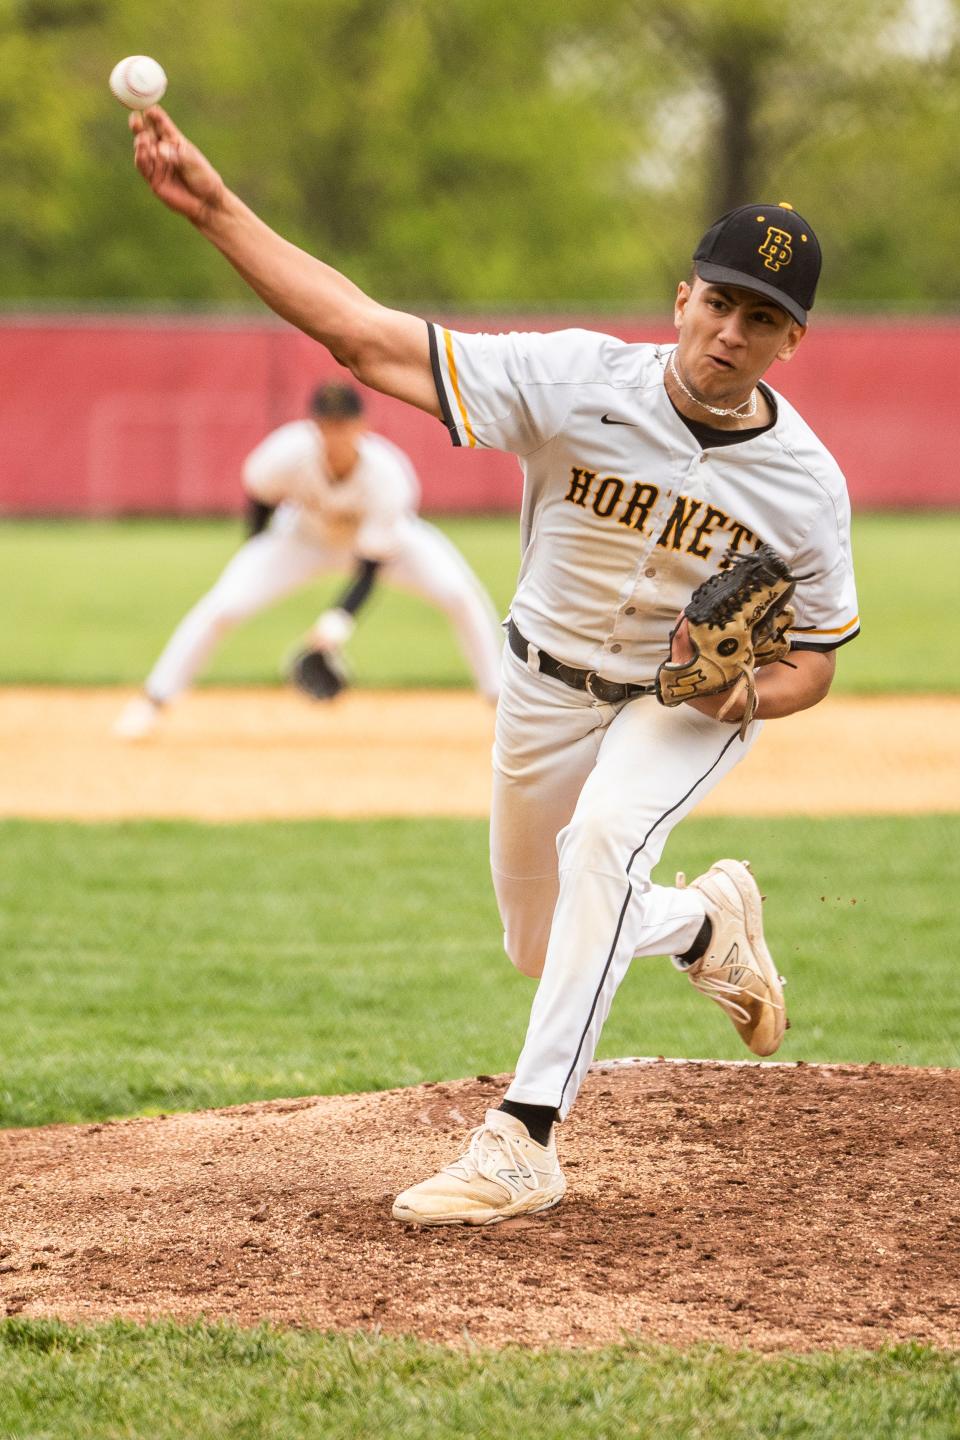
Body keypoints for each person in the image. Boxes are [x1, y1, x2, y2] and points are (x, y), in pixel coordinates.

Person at [129, 109, 859, 1224]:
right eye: (717, 303)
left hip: (678, 709)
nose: (729, 334)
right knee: (540, 938)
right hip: (541, 689)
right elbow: (367, 340)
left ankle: (523, 1138)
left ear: (791, 342)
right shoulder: (572, 380)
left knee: (607, 841)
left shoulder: (807, 485)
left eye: (762, 320)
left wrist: (735, 690)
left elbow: (813, 662)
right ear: (682, 299)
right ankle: (705, 926)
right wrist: (218, 211)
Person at [113, 380, 503, 739]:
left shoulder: (388, 475)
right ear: (315, 426)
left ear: (362, 426)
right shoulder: (285, 453)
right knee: (223, 606)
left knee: (458, 594)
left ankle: (500, 703)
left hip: (391, 546)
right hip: (302, 539)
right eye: (327, 425)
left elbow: (371, 566)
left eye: (343, 425)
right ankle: (153, 700)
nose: (335, 434)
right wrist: (255, 555)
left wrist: (337, 623)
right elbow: (260, 499)